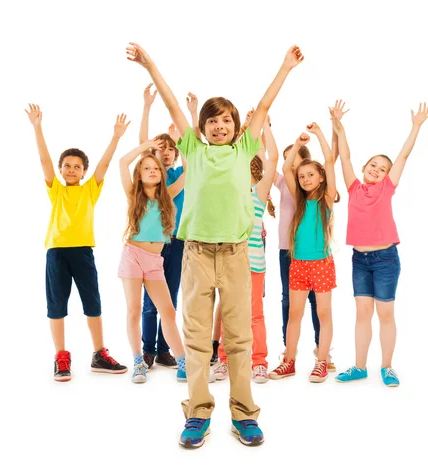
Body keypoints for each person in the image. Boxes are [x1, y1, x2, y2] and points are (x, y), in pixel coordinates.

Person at [127, 41, 303, 448]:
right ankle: (198, 411)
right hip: (198, 253)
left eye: (226, 121)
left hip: (237, 253)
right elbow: (172, 104)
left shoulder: (245, 148)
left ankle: (243, 413)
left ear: (236, 127)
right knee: (197, 336)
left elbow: (261, 106)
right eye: (212, 122)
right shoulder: (192, 149)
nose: (219, 127)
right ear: (202, 128)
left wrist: (285, 67)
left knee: (239, 337)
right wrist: (151, 65)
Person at [25, 103, 128, 382]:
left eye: (77, 167)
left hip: (83, 252)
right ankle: (61, 355)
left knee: (92, 303)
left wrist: (116, 136)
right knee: (56, 305)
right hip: (57, 253)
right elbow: (44, 160)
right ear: (60, 170)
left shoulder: (90, 190)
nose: (71, 170)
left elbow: (105, 165)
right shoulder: (56, 190)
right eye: (67, 166)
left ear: (84, 172)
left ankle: (98, 353)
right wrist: (37, 127)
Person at [333, 103, 428, 387]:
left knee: (385, 313)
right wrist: (339, 127)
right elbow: (345, 157)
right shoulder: (354, 187)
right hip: (360, 261)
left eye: (383, 168)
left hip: (386, 259)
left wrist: (416, 126)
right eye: (373, 165)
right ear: (365, 168)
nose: (377, 170)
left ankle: (387, 366)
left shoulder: (386, 187)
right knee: (362, 313)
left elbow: (403, 155)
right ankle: (359, 366)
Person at [269, 122, 339, 383]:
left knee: (323, 313)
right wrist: (297, 144)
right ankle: (289, 361)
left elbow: (330, 161)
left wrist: (319, 134)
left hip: (321, 263)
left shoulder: (327, 198)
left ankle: (321, 361)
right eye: (302, 176)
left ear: (320, 177)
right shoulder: (298, 198)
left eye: (310, 175)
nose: (305, 179)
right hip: (298, 263)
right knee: (294, 313)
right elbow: (287, 167)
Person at [117, 138, 188, 384]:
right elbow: (123, 162)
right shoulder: (133, 194)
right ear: (140, 174)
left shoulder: (167, 195)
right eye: (146, 168)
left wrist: (183, 139)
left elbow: (190, 171)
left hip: (154, 260)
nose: (151, 171)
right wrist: (146, 146)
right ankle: (138, 361)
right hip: (133, 257)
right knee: (135, 310)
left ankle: (182, 362)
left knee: (167, 310)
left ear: (161, 174)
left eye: (155, 168)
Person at [213, 119, 277, 384]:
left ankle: (259, 362)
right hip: (229, 263)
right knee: (230, 313)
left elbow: (272, 159)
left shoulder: (258, 193)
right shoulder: (228, 193)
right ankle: (224, 361)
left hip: (253, 265)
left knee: (254, 314)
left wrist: (264, 127)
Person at [138, 84, 186, 370]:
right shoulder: (152, 176)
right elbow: (144, 143)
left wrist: (181, 137)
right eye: (162, 149)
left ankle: (164, 348)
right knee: (149, 300)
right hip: (153, 243)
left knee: (170, 296)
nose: (166, 153)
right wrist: (146, 107)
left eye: (171, 149)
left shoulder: (182, 172)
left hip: (177, 242)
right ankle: (147, 349)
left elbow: (194, 158)